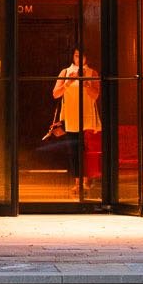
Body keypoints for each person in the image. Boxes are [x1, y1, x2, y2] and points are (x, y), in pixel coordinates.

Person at [52, 48, 101, 190]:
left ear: (87, 58)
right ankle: (77, 182)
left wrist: (86, 84)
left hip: (87, 116)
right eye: (76, 55)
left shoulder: (92, 73)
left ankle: (87, 179)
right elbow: (55, 94)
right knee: (73, 150)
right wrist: (68, 82)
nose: (79, 59)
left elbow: (95, 95)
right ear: (73, 57)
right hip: (70, 116)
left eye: (82, 56)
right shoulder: (65, 72)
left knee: (86, 150)